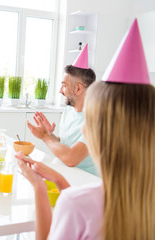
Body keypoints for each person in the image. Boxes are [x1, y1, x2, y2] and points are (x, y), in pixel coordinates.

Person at [16, 19, 155, 240]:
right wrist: (61, 182)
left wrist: (39, 189)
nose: (84, 127)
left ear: (103, 134)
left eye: (90, 122)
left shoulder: (78, 205)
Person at [28, 44, 97, 175]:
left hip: (88, 182)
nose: (60, 91)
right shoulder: (69, 111)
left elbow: (71, 158)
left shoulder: (97, 120)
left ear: (78, 88)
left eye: (64, 86)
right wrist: (50, 135)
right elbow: (65, 146)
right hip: (67, 174)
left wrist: (44, 137)